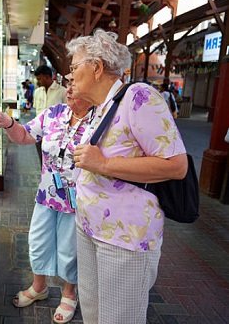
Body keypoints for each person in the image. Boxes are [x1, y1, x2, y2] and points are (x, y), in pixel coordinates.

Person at [67, 29, 188, 324]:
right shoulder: (102, 107)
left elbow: (176, 165)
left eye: (74, 67)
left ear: (96, 67)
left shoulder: (140, 97)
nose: (69, 74)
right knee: (93, 312)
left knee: (120, 318)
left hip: (124, 238)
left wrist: (104, 164)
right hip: (90, 227)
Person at [0, 75, 92, 323]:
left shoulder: (100, 119)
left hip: (79, 201)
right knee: (38, 241)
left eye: (76, 82)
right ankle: (39, 287)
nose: (69, 88)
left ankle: (68, 293)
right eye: (68, 83)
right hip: (47, 194)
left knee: (69, 249)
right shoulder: (54, 113)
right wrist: (8, 123)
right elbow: (24, 136)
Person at [33, 65, 67, 165]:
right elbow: (36, 111)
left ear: (47, 77)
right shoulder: (37, 92)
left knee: (53, 160)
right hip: (39, 131)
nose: (38, 81)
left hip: (55, 133)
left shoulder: (62, 92)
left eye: (40, 79)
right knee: (41, 159)